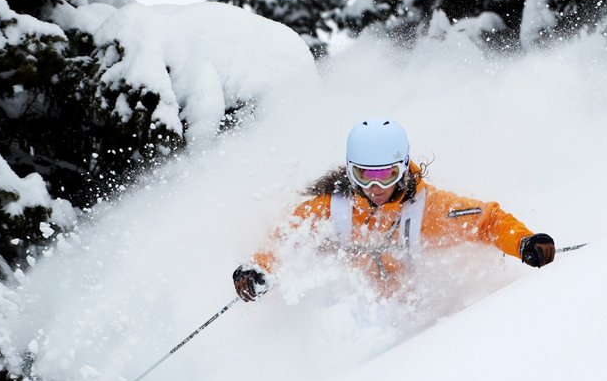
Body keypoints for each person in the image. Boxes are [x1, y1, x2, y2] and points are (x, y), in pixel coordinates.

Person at [233, 118, 555, 302]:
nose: (375, 188)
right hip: (350, 314)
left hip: (414, 318)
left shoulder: (429, 211)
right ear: (349, 171)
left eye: (386, 175)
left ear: (402, 169)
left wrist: (523, 242)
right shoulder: (331, 211)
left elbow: (488, 221)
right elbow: (286, 238)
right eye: (363, 175)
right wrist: (257, 270)